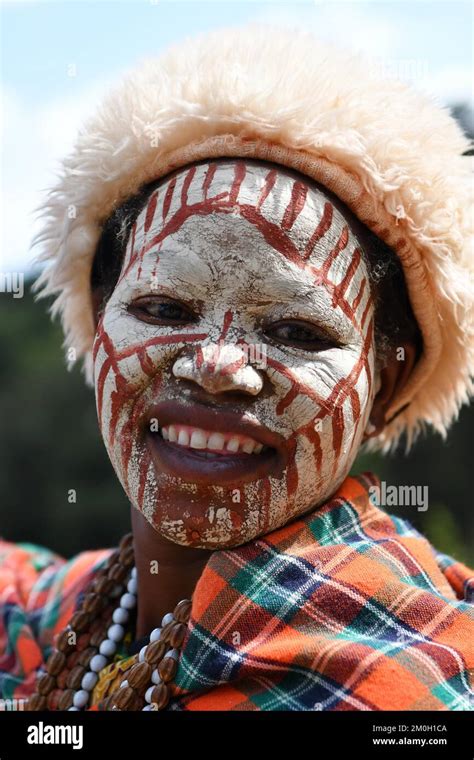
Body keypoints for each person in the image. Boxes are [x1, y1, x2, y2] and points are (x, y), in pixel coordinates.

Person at [1, 23, 473, 712]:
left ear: (386, 384)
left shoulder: (389, 688)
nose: (217, 366)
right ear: (99, 323)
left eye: (295, 330)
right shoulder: (59, 621)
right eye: (163, 306)